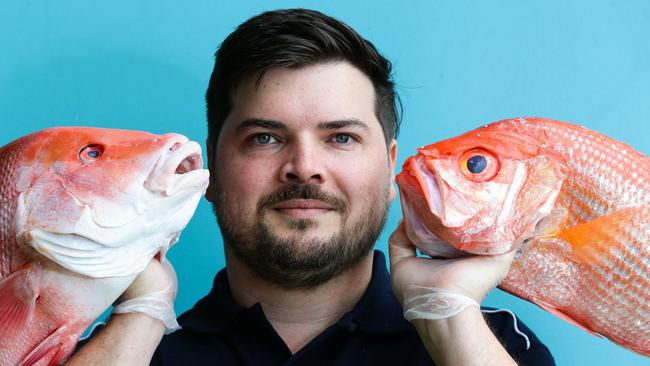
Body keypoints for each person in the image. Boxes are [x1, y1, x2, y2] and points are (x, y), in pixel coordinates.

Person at [70, 8, 555, 365]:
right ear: (210, 170)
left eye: (340, 137)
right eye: (265, 137)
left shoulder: (493, 345)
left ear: (390, 170)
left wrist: (447, 315)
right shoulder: (132, 350)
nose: (304, 167)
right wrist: (142, 315)